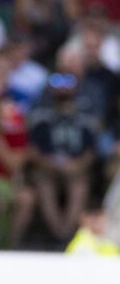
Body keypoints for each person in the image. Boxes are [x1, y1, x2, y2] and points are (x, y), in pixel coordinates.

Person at [28, 73, 97, 244]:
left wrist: (77, 165)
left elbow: (91, 151)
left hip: (75, 168)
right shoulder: (42, 117)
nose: (63, 88)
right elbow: (33, 150)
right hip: (47, 167)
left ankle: (66, 235)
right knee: (44, 184)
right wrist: (49, 163)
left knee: (79, 186)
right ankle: (58, 232)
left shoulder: (83, 119)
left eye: (68, 83)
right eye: (58, 83)